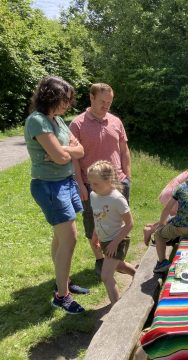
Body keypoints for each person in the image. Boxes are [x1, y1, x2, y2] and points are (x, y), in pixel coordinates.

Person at [24, 76, 87, 314]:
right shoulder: (37, 121)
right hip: (49, 186)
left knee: (60, 239)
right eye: (64, 99)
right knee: (69, 239)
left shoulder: (59, 121)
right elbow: (62, 157)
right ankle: (62, 296)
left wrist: (63, 150)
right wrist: (63, 153)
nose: (67, 105)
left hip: (66, 182)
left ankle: (63, 281)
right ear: (50, 97)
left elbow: (78, 151)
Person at [70, 83, 132, 276]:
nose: (106, 105)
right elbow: (74, 158)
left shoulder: (116, 121)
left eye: (110, 102)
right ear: (91, 97)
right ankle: (100, 258)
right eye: (102, 101)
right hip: (92, 185)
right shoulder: (77, 124)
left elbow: (124, 150)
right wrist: (80, 183)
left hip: (118, 182)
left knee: (119, 219)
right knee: (94, 221)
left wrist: (127, 176)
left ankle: (117, 257)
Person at [87, 161, 136, 304]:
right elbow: (98, 217)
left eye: (96, 184)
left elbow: (129, 224)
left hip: (118, 240)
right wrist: (95, 236)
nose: (92, 187)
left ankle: (116, 310)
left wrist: (115, 243)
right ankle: (138, 276)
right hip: (105, 240)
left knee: (106, 276)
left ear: (108, 181)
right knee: (119, 266)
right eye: (90, 183)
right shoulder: (94, 195)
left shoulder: (117, 199)